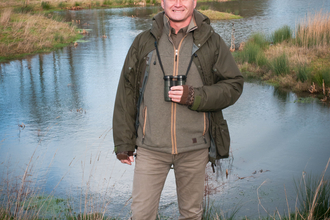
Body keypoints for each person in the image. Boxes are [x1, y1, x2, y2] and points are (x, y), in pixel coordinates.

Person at [112, 0, 244, 218]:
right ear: (161, 2)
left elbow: (234, 85)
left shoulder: (211, 42)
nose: (178, 3)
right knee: (141, 215)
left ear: (194, 2)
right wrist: (123, 142)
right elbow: (126, 93)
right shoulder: (143, 42)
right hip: (150, 147)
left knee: (191, 214)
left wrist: (195, 96)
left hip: (194, 148)